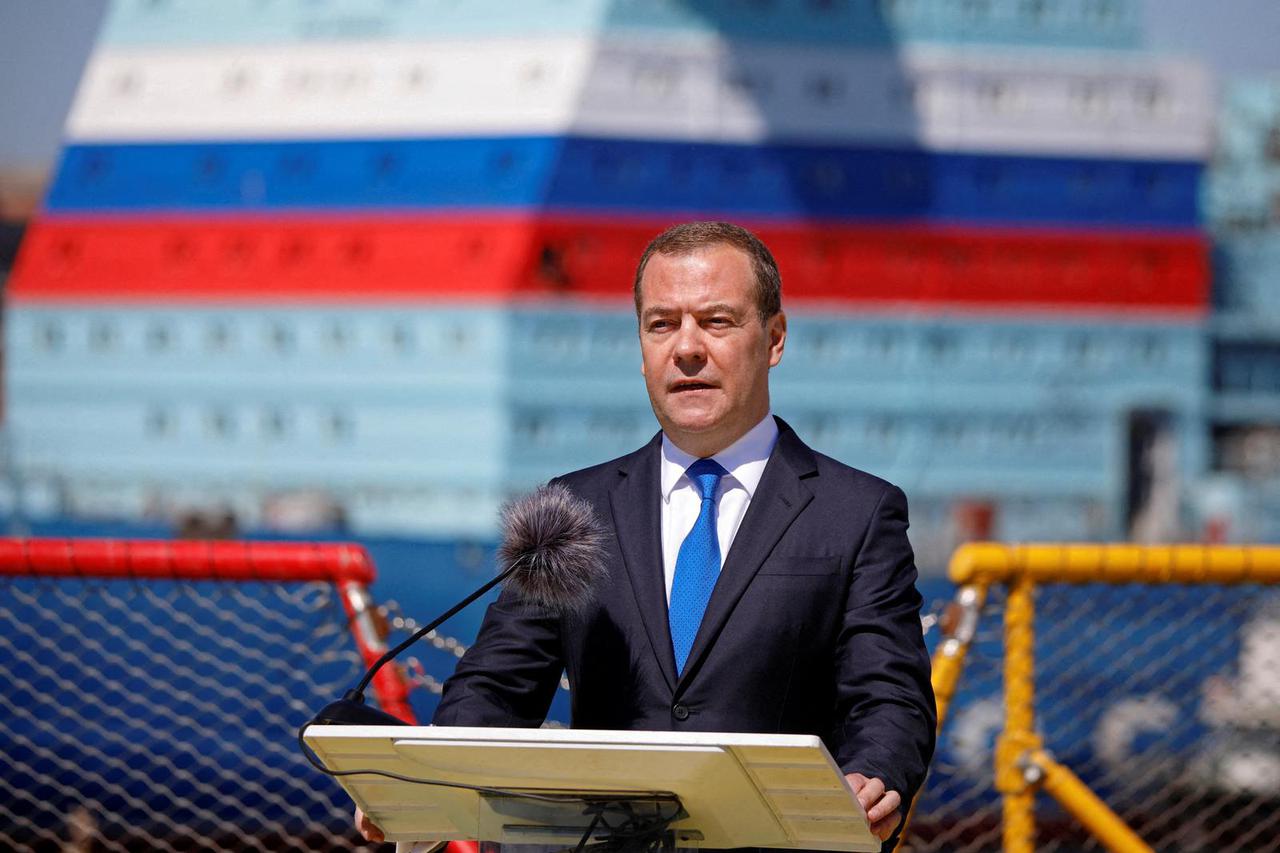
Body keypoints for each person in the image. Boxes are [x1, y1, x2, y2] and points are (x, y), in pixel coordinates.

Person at [357, 222, 936, 849]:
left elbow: (889, 698)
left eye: (716, 322)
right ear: (640, 348)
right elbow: (496, 684)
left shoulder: (856, 512)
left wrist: (876, 776)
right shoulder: (572, 508)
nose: (686, 349)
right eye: (662, 324)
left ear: (773, 339)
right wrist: (424, 784)